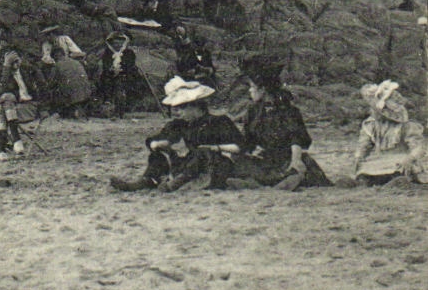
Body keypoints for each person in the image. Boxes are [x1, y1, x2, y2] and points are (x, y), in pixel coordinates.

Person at [109, 78, 245, 192]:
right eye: (175, 108)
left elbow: (240, 146)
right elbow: (157, 139)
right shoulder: (179, 124)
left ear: (196, 107)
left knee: (202, 151)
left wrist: (216, 147)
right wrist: (157, 144)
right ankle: (143, 181)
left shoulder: (218, 122)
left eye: (182, 108)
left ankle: (175, 184)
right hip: (186, 164)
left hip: (210, 166)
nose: (177, 112)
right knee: (157, 155)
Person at [221, 55, 331, 191]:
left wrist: (296, 160)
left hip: (288, 158)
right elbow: (245, 143)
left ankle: (276, 182)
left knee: (296, 170)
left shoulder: (287, 110)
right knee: (239, 160)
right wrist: (218, 148)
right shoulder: (253, 111)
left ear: (263, 89)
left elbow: (296, 139)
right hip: (266, 158)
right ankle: (270, 183)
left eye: (252, 87)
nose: (249, 91)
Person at [336, 80, 425, 186]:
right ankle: (362, 182)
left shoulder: (406, 126)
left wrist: (410, 158)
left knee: (399, 170)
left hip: (401, 158)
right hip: (380, 159)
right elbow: (364, 145)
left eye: (375, 110)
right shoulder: (371, 125)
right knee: (366, 171)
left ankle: (397, 182)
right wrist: (358, 157)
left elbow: (418, 147)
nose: (372, 112)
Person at [95, 27, 154, 116]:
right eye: (115, 43)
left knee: (124, 82)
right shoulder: (108, 52)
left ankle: (124, 105)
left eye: (120, 43)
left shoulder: (129, 53)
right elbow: (105, 64)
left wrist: (121, 69)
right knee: (105, 80)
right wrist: (111, 69)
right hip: (111, 74)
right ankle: (108, 101)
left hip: (126, 74)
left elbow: (130, 65)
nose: (117, 45)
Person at [38, 27, 93, 118]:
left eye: (49, 35)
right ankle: (77, 108)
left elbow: (78, 52)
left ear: (54, 34)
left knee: (58, 87)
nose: (48, 37)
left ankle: (61, 109)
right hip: (57, 66)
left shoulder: (65, 39)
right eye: (46, 35)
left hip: (66, 67)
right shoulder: (46, 45)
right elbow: (45, 58)